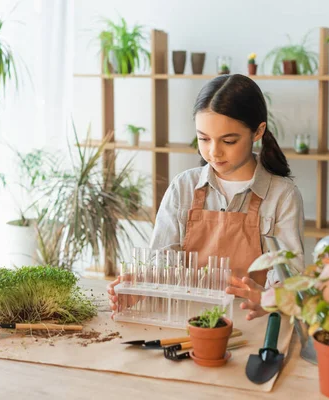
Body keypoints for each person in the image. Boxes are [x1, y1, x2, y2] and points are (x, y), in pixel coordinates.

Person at [107, 74, 305, 321]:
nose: (214, 151)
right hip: (184, 323)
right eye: (203, 139)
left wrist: (270, 299)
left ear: (258, 131)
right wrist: (141, 287)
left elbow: (291, 277)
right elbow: (161, 262)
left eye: (229, 140)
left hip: (252, 323)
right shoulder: (184, 187)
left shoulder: (282, 195)